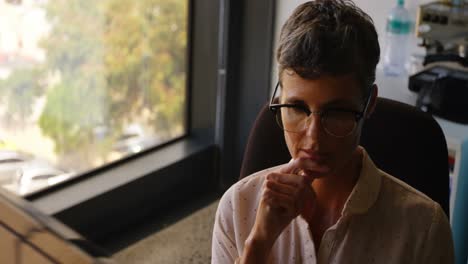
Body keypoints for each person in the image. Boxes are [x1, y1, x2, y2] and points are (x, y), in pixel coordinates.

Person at [211, 0, 454, 263]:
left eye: (337, 112)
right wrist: (258, 242)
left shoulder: (423, 228)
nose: (314, 137)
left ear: (369, 103)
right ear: (279, 98)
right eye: (296, 107)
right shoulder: (237, 207)